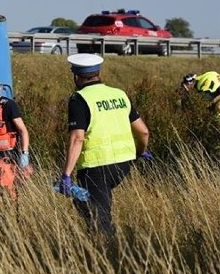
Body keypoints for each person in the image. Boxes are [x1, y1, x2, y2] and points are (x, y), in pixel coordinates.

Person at [57, 54, 150, 237]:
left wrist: (66, 174)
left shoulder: (79, 99)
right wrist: (140, 151)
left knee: (99, 217)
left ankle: (107, 251)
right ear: (98, 73)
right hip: (123, 165)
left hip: (96, 166)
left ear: (76, 76)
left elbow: (77, 138)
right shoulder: (119, 94)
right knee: (90, 203)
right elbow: (143, 131)